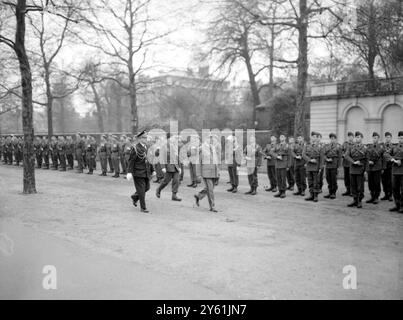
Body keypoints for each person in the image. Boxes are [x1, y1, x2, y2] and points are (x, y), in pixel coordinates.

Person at [127, 130, 154, 213]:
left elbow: (149, 160)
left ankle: (135, 197)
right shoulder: (135, 148)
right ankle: (143, 208)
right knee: (142, 191)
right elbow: (131, 161)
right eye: (144, 137)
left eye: (146, 137)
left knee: (147, 188)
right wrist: (129, 172)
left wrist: (153, 170)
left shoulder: (146, 147)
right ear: (140, 139)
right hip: (138, 172)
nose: (146, 139)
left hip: (146, 172)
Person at [194, 134, 219, 212]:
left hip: (214, 172)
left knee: (209, 188)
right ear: (205, 139)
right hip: (206, 172)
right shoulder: (201, 148)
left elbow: (215, 160)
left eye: (211, 138)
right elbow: (198, 162)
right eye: (209, 138)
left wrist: (218, 172)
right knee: (210, 190)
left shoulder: (213, 147)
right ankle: (212, 206)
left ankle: (199, 196)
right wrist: (198, 174)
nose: (210, 139)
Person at [156, 135, 182, 201]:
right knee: (166, 181)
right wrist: (163, 167)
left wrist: (180, 167)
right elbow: (161, 157)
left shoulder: (176, 146)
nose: (175, 139)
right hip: (168, 166)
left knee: (176, 180)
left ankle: (174, 195)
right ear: (169, 138)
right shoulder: (164, 146)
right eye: (173, 137)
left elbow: (177, 157)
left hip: (175, 166)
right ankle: (159, 189)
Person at [345, 131, 367, 208]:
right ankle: (355, 200)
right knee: (353, 185)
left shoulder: (365, 148)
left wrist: (365, 169)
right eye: (356, 137)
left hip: (360, 169)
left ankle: (360, 201)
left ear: (362, 138)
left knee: (360, 186)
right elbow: (346, 156)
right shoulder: (351, 147)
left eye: (359, 137)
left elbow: (366, 159)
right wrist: (353, 162)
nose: (357, 138)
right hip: (353, 168)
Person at [303, 131, 324, 202]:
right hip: (309, 166)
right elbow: (303, 155)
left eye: (315, 137)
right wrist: (310, 160)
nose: (314, 138)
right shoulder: (306, 146)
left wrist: (321, 167)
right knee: (310, 181)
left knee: (316, 182)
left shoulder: (320, 147)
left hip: (316, 166)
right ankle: (311, 195)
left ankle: (315, 196)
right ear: (310, 137)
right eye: (313, 137)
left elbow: (322, 158)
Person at [385, 131, 403, 213]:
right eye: (399, 138)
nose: (400, 139)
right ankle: (397, 204)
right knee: (395, 188)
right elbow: (386, 154)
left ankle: (402, 206)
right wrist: (393, 160)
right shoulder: (394, 147)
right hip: (395, 171)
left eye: (402, 138)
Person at [366, 132, 384, 204]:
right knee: (370, 183)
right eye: (373, 138)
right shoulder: (369, 146)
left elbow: (383, 158)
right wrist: (369, 161)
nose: (374, 139)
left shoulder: (381, 147)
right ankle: (372, 196)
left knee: (376, 182)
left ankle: (376, 197)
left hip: (377, 167)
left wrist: (383, 168)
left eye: (376, 138)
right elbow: (366, 155)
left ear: (378, 139)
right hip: (370, 167)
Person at [270, 134, 290, 198]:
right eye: (280, 137)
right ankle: (280, 191)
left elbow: (289, 156)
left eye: (283, 137)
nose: (281, 138)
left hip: (284, 164)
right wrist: (277, 156)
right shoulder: (277, 145)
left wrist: (288, 166)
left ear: (285, 138)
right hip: (278, 164)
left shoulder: (287, 145)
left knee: (283, 179)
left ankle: (283, 192)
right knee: (278, 178)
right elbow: (271, 152)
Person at [323, 133, 342, 199]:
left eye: (333, 139)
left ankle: (333, 193)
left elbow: (339, 157)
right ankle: (330, 192)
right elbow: (324, 154)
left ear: (335, 139)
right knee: (328, 179)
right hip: (328, 164)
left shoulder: (338, 146)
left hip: (334, 164)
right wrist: (327, 159)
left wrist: (339, 167)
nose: (332, 140)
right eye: (331, 138)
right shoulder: (327, 146)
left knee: (333, 179)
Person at [381, 132, 394, 201]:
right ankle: (386, 194)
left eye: (388, 137)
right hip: (383, 166)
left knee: (390, 181)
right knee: (384, 181)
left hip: (390, 166)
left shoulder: (393, 146)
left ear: (391, 138)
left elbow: (394, 155)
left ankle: (390, 195)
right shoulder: (382, 146)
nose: (387, 138)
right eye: (386, 137)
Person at [342, 132, 354, 196]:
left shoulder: (354, 144)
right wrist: (343, 155)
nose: (350, 138)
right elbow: (341, 151)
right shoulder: (345, 144)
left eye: (351, 136)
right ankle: (348, 190)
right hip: (345, 163)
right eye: (349, 136)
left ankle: (352, 191)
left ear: (353, 137)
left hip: (351, 163)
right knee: (346, 178)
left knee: (351, 178)